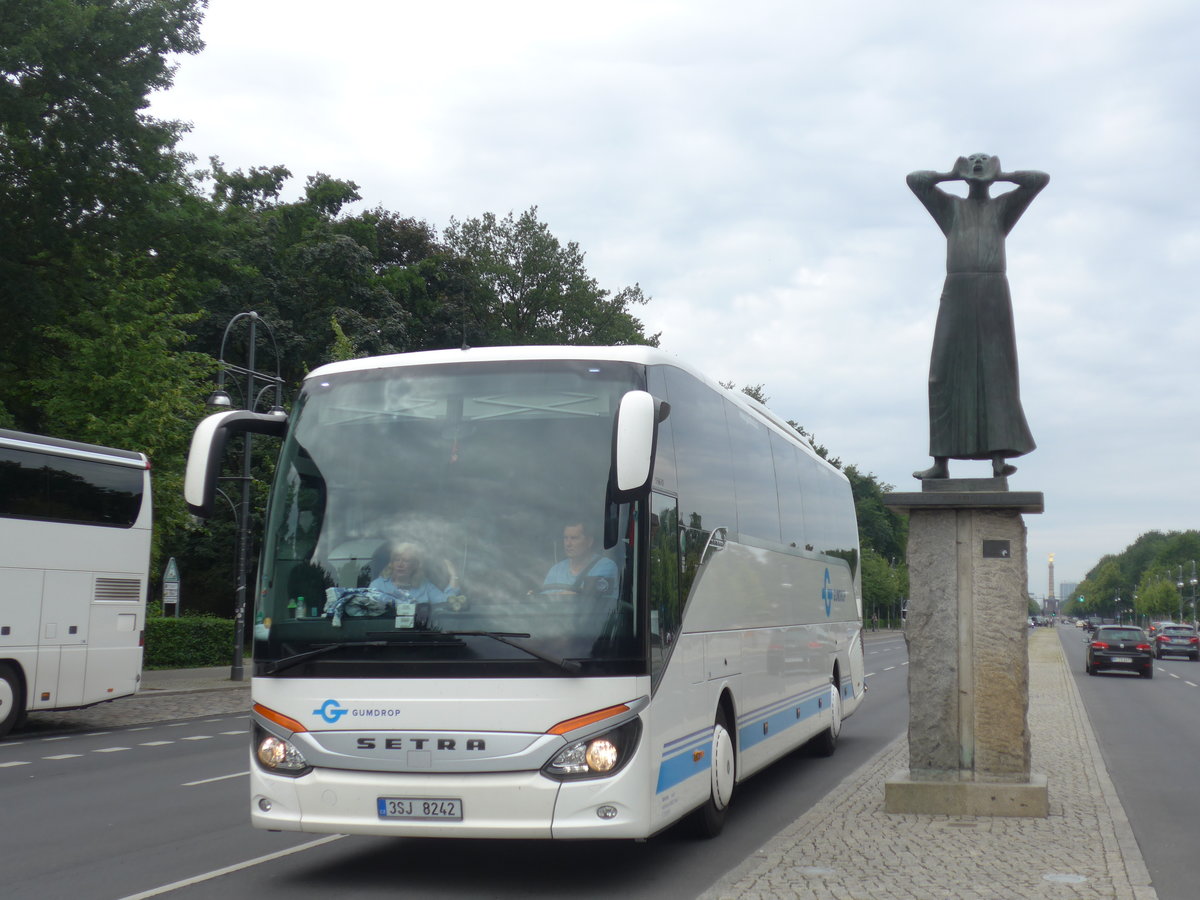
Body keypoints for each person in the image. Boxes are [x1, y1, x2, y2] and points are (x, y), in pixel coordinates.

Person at [907, 153, 1048, 480]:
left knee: (996, 373)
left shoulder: (1002, 209)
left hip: (992, 291)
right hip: (958, 290)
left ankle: (998, 458)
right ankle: (941, 462)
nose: (978, 162)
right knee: (942, 375)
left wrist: (1001, 175)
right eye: (973, 160)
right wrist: (949, 174)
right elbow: (915, 180)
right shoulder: (951, 209)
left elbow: (1039, 179)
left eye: (985, 160)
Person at [539, 521, 619, 601]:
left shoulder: (605, 566)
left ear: (589, 541)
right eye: (565, 538)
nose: (568, 544)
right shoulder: (556, 570)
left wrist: (563, 596)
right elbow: (544, 601)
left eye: (574, 538)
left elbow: (601, 602)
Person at [369, 542, 462, 607]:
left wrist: (453, 575)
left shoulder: (424, 586)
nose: (400, 564)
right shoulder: (378, 585)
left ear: (415, 565)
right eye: (397, 560)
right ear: (392, 563)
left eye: (406, 561)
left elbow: (446, 602)